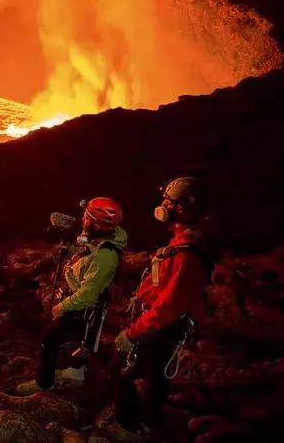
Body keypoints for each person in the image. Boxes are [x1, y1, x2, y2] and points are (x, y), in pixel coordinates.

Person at [108, 177, 213, 439]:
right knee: (155, 374)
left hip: (163, 325)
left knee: (124, 369)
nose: (162, 206)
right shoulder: (180, 244)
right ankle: (148, 422)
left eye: (168, 201)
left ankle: (129, 428)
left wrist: (132, 333)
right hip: (161, 321)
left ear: (181, 208)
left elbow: (169, 305)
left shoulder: (186, 254)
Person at [17, 197, 126, 395]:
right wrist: (73, 247)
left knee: (50, 338)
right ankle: (77, 373)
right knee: (84, 338)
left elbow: (87, 294)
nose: (82, 219)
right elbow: (85, 251)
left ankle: (44, 384)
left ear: (98, 224)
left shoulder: (105, 255)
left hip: (83, 306)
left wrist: (61, 307)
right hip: (81, 302)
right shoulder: (99, 239)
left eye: (87, 217)